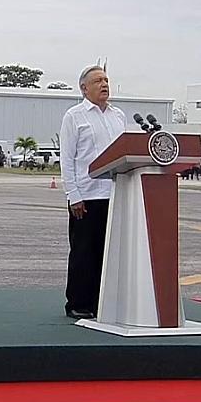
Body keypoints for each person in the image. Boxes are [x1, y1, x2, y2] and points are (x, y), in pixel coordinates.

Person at [59, 65, 128, 319]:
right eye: (98, 80)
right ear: (84, 88)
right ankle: (78, 302)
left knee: (108, 252)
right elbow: (67, 159)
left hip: (115, 193)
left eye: (107, 80)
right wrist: (73, 195)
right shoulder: (74, 116)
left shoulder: (118, 115)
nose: (104, 84)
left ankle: (103, 302)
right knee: (83, 251)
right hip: (86, 195)